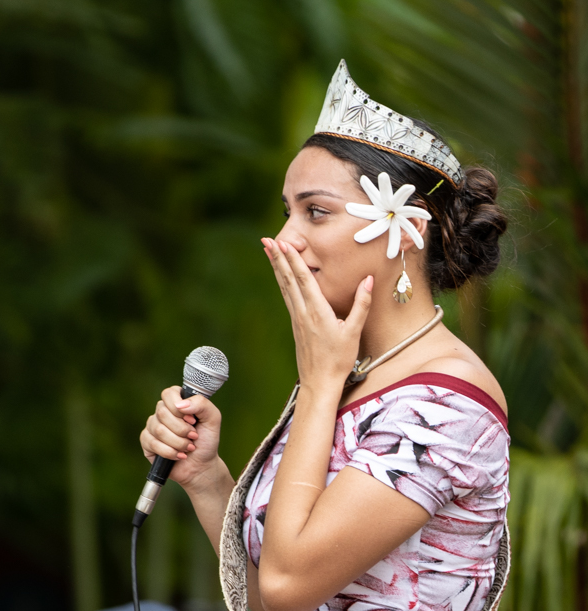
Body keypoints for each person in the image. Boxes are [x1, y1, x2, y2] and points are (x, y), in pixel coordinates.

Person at [139, 59, 511, 611]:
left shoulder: (449, 405)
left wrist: (317, 382)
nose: (286, 238)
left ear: (406, 229)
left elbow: (290, 589)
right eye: (288, 212)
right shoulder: (355, 372)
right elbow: (268, 594)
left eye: (316, 211)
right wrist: (208, 480)